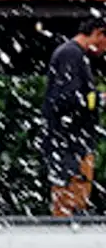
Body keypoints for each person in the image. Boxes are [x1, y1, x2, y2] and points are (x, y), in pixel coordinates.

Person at [41, 16, 106, 218]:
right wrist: (99, 99)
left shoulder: (74, 55)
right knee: (69, 205)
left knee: (75, 203)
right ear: (99, 33)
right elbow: (66, 99)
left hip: (72, 145)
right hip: (69, 145)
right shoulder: (71, 54)